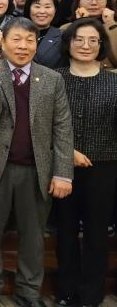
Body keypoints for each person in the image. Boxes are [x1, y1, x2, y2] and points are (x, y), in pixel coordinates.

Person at [0, 17, 74, 307]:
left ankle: (29, 291)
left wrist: (63, 173)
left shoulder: (52, 79)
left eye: (30, 40)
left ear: (36, 44)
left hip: (37, 170)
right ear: (2, 42)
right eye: (16, 39)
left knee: (33, 236)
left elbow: (62, 127)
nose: (23, 46)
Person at [53, 18, 117, 307]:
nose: (86, 45)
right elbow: (42, 124)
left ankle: (91, 294)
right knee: (65, 231)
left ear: (101, 45)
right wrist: (67, 152)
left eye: (93, 40)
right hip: (60, 165)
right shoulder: (53, 78)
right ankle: (66, 291)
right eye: (79, 39)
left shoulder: (114, 81)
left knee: (96, 233)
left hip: (104, 165)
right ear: (68, 43)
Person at [60, 0, 117, 69]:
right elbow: (62, 63)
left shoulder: (114, 27)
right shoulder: (65, 28)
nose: (94, 3)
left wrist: (110, 24)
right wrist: (80, 23)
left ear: (108, 1)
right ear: (78, 0)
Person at [23, 0, 66, 69]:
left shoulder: (63, 37)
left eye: (47, 7)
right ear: (28, 9)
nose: (42, 11)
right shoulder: (17, 34)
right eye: (37, 7)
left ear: (55, 10)